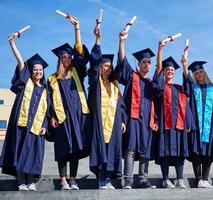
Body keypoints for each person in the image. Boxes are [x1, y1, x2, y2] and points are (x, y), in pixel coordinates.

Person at [0, 34, 49, 191]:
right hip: (21, 125)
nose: (38, 72)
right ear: (31, 71)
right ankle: (21, 181)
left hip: (36, 128)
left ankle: (31, 181)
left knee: (34, 154)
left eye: (40, 69)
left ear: (43, 72)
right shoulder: (25, 83)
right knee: (20, 152)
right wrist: (12, 44)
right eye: (35, 69)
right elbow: (21, 62)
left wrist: (45, 126)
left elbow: (49, 112)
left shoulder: (46, 90)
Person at [48, 16, 90, 190]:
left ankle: (73, 179)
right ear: (59, 59)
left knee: (76, 149)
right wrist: (51, 116)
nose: (66, 58)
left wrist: (77, 29)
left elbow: (81, 54)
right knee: (63, 149)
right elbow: (48, 99)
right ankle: (63, 179)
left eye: (68, 56)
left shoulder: (77, 73)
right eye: (63, 56)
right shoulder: (52, 78)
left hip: (78, 116)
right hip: (62, 117)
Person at [114, 30, 159, 189]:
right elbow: (122, 60)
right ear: (139, 64)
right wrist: (122, 42)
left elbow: (157, 102)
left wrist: (156, 120)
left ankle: (143, 179)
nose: (147, 64)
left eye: (148, 62)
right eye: (144, 62)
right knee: (131, 150)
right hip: (132, 118)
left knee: (145, 150)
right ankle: (128, 181)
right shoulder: (131, 76)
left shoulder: (150, 83)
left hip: (147, 121)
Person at [88, 24, 127, 190]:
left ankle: (108, 180)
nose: (108, 68)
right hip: (99, 123)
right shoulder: (96, 83)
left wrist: (123, 120)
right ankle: (101, 180)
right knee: (101, 150)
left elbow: (121, 105)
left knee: (112, 151)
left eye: (110, 66)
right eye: (105, 65)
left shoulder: (114, 86)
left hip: (113, 124)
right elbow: (94, 64)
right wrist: (98, 39)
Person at [153, 40, 193, 189]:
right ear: (164, 72)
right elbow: (156, 83)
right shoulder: (161, 87)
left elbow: (189, 96)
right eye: (167, 70)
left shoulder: (179, 88)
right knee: (165, 152)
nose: (169, 71)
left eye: (172, 70)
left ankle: (180, 179)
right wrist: (160, 51)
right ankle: (166, 179)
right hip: (165, 125)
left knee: (179, 153)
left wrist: (184, 66)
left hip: (179, 125)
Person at [182, 57, 213, 188]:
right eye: (196, 73)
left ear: (204, 73)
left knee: (208, 152)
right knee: (197, 153)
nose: (199, 74)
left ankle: (205, 179)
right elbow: (187, 81)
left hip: (210, 126)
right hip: (196, 125)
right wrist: (184, 66)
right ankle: (199, 179)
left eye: (201, 72)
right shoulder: (193, 88)